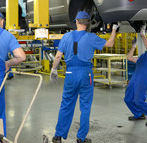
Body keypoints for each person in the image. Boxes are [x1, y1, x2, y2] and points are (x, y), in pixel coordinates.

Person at [51, 11, 120, 143]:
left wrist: (54, 69)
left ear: (76, 21)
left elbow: (58, 56)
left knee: (66, 104)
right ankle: (81, 138)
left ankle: (58, 136)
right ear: (87, 23)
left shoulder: (66, 37)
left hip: (70, 74)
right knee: (85, 106)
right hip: (85, 74)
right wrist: (114, 30)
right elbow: (110, 44)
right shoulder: (91, 37)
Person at [124, 25, 147, 126]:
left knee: (139, 100)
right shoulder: (143, 56)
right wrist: (133, 46)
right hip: (135, 77)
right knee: (127, 98)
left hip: (143, 77)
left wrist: (143, 35)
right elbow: (129, 57)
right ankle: (138, 114)